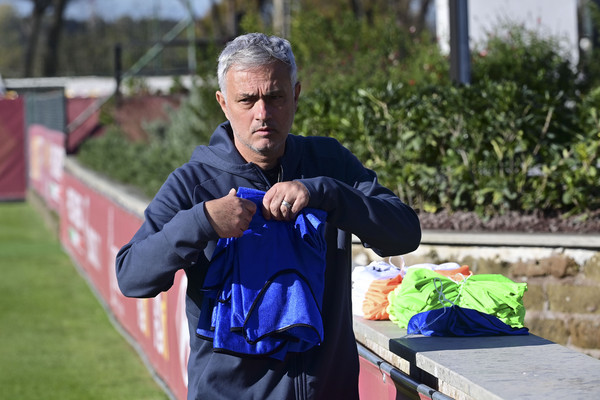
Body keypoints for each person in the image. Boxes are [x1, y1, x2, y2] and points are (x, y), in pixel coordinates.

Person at [116, 33, 421, 400]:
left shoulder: (330, 164)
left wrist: (326, 193)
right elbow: (131, 276)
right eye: (247, 99)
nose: (262, 113)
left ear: (296, 94)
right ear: (223, 103)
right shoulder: (194, 183)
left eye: (275, 97)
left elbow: (404, 233)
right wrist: (202, 222)